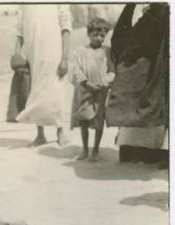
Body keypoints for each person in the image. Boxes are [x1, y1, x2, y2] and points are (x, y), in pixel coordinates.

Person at [106, 3, 169, 168]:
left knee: (155, 103)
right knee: (126, 102)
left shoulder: (163, 7)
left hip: (156, 63)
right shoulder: (131, 7)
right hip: (132, 62)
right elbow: (119, 36)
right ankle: (131, 148)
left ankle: (158, 152)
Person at [14, 4, 73, 147]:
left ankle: (60, 130)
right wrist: (17, 54)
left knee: (56, 88)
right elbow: (19, 29)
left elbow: (66, 27)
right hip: (32, 50)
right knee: (35, 90)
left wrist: (64, 58)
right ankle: (40, 134)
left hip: (53, 49)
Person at [71, 17, 115, 162]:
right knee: (84, 119)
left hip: (101, 91)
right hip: (85, 90)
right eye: (95, 34)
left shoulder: (107, 51)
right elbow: (76, 70)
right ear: (88, 34)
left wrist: (104, 82)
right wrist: (86, 83)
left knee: (98, 119)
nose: (98, 38)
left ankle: (95, 149)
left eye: (102, 35)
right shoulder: (80, 51)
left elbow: (112, 71)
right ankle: (84, 149)